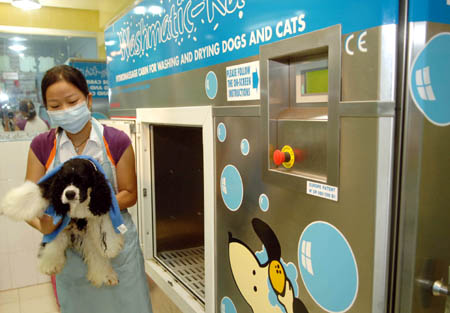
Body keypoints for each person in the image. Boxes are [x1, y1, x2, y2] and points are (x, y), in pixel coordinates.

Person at [25, 65, 153, 313]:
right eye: (55, 106)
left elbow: (129, 193)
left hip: (114, 244)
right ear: (47, 109)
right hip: (69, 249)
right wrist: (45, 224)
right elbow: (31, 202)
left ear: (89, 100)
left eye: (72, 101)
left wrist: (87, 209)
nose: (65, 110)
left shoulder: (116, 141)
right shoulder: (42, 146)